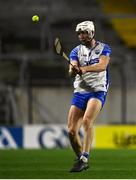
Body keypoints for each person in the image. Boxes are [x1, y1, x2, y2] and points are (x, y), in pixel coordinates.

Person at [67, 21, 111, 172]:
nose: (81, 36)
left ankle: (85, 156)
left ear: (92, 32)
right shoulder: (75, 51)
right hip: (80, 91)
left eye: (84, 32)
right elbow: (70, 72)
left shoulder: (104, 48)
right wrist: (74, 70)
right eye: (79, 33)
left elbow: (102, 66)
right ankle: (81, 159)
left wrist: (84, 69)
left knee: (87, 121)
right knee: (71, 131)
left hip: (98, 90)